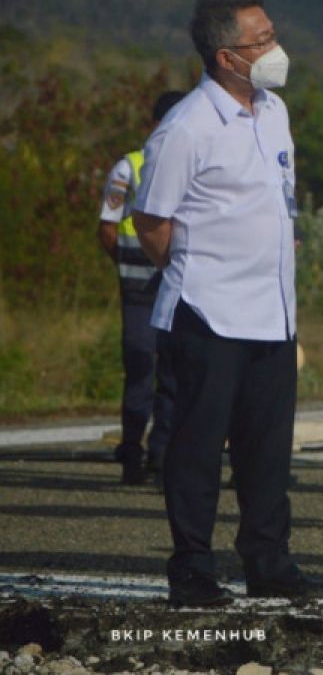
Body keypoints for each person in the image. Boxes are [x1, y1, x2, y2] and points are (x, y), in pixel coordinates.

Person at [132, 0, 323, 608]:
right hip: (208, 315)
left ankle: (268, 561)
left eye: (272, 34)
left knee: (266, 453)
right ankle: (192, 570)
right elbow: (152, 220)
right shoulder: (187, 126)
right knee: (195, 450)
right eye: (260, 41)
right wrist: (199, 271)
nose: (275, 49)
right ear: (225, 56)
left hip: (272, 316)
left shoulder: (274, 112)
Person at [97, 90, 184, 485]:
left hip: (176, 285)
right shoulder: (129, 167)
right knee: (139, 367)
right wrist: (128, 265)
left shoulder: (191, 163)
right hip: (138, 288)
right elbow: (108, 228)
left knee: (173, 373)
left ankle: (161, 457)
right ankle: (132, 451)